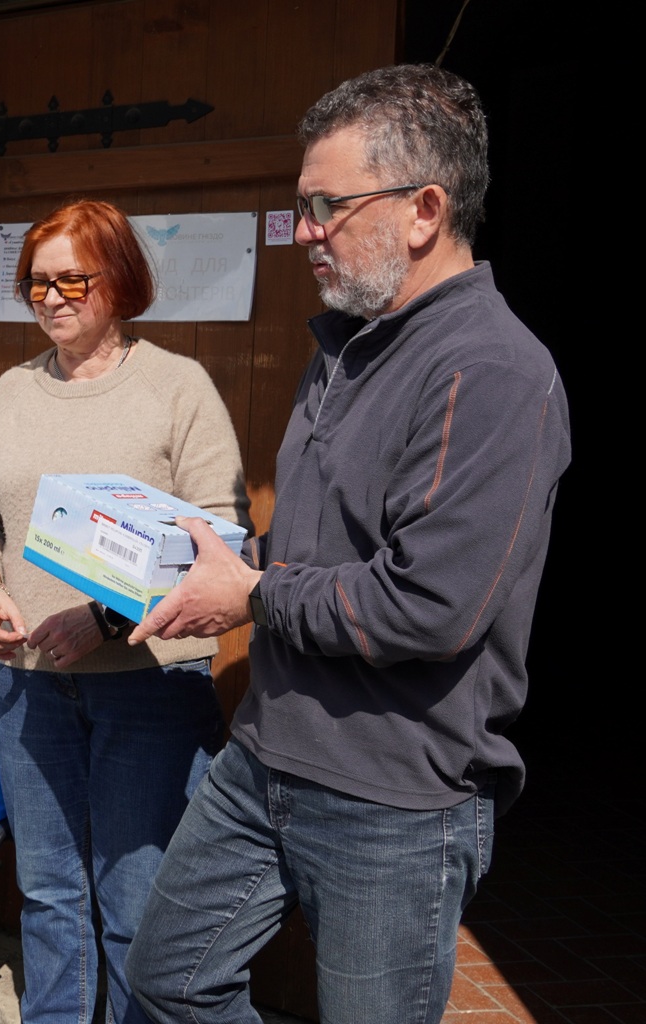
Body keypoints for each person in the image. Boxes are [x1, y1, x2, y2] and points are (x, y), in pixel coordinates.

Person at [124, 65, 571, 1024]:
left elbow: (427, 606)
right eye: (302, 208)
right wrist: (188, 560)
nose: (305, 232)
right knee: (166, 981)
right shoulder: (349, 347)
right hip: (264, 759)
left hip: (395, 801)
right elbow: (313, 549)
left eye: (328, 206)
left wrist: (249, 595)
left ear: (424, 211)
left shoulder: (493, 371)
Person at [0, 199, 251, 1024]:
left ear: (116, 280)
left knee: (134, 903)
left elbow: (219, 542)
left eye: (70, 280)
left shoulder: (177, 389)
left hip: (147, 688)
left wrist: (106, 620)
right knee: (49, 895)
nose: (49, 297)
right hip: (28, 688)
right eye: (35, 282)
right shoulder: (12, 391)